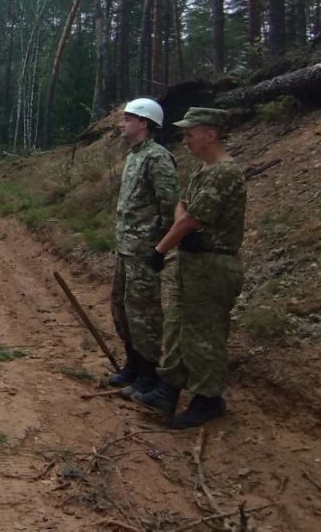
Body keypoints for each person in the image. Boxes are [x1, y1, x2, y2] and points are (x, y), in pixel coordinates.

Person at [134, 108, 245, 428]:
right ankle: (168, 389)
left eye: (191, 133)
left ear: (211, 134)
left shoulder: (223, 172)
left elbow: (190, 220)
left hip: (213, 264)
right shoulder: (203, 171)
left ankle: (208, 398)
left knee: (204, 333)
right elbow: (181, 208)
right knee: (177, 326)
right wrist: (183, 222)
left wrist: (160, 249)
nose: (186, 139)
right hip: (193, 262)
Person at [106, 98, 179, 399]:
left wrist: (159, 248)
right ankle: (133, 365)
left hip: (145, 250)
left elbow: (170, 205)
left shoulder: (157, 158)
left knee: (144, 312)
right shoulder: (134, 156)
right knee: (121, 307)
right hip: (126, 248)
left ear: (144, 123)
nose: (121, 124)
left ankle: (149, 373)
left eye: (127, 119)